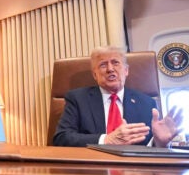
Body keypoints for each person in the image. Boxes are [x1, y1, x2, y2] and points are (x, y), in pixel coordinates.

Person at [53, 46, 183, 147]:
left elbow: (150, 147)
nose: (110, 69)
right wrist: (107, 139)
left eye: (115, 63)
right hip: (93, 168)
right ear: (95, 75)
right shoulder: (77, 99)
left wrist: (160, 143)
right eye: (103, 65)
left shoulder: (147, 103)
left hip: (134, 172)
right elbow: (61, 137)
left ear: (126, 71)